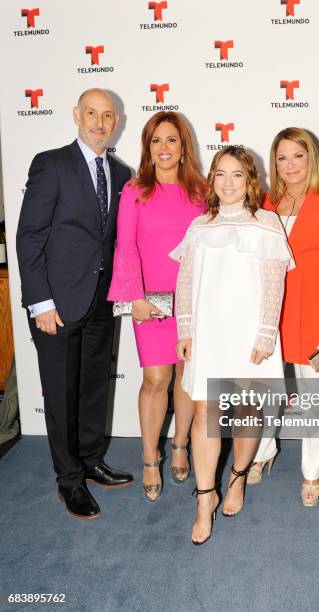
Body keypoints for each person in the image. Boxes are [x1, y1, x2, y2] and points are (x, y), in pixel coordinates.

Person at [16, 88, 133, 520]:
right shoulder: (52, 164)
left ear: (116, 122)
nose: (99, 123)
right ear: (76, 115)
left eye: (107, 116)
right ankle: (69, 482)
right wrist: (40, 302)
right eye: (91, 114)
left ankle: (91, 459)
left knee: (93, 388)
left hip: (102, 302)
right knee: (62, 393)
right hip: (57, 304)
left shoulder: (120, 173)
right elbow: (28, 236)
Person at [170, 147, 293, 544]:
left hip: (247, 334)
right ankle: (205, 498)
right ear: (212, 180)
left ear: (249, 180)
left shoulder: (268, 224)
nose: (227, 182)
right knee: (206, 409)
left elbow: (276, 286)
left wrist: (265, 335)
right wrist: (185, 330)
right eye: (220, 174)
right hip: (208, 331)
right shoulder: (199, 225)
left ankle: (238, 476)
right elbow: (184, 283)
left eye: (236, 175)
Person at [248, 128, 319, 506]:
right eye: (282, 158)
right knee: (266, 389)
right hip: (272, 313)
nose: (290, 165)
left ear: (311, 158)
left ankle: (311, 473)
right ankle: (262, 452)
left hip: (318, 312)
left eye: (298, 156)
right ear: (273, 163)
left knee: (315, 397)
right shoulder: (263, 202)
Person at [108, 112, 206, 502]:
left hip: (193, 299)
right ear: (147, 148)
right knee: (155, 380)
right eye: (156, 141)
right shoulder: (136, 190)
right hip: (149, 300)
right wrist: (135, 297)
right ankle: (151, 457)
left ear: (184, 147)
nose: (164, 148)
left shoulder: (201, 190)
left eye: (171, 140)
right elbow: (126, 245)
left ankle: (180, 443)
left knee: (186, 375)